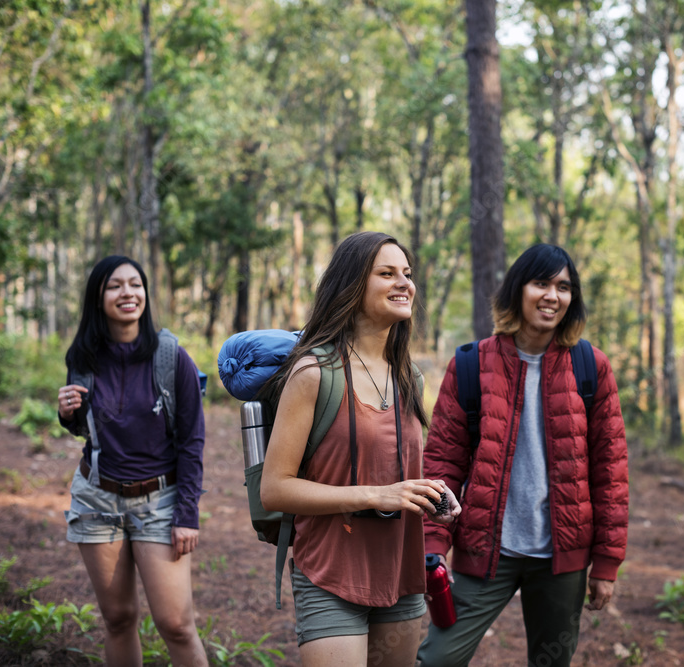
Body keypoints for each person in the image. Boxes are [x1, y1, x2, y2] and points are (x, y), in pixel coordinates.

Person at [418, 244, 629, 667]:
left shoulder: (591, 366)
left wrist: (606, 563)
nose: (553, 295)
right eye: (541, 283)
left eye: (564, 287)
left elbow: (611, 473)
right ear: (518, 289)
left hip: (561, 558)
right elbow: (442, 463)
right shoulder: (470, 365)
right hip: (484, 548)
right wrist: (433, 542)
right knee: (437, 659)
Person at [259, 231, 460, 667]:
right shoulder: (314, 373)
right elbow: (274, 489)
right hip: (331, 572)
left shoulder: (410, 378)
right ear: (351, 286)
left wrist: (430, 495)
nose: (404, 282)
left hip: (400, 572)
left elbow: (393, 467)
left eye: (407, 273)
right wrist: (375, 494)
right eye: (386, 273)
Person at [58, 255, 207, 667]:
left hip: (159, 500)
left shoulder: (171, 357)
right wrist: (67, 414)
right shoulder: (83, 356)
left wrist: (187, 513)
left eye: (135, 284)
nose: (128, 293)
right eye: (115, 286)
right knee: (118, 618)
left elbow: (193, 441)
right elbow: (91, 431)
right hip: (97, 500)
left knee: (176, 623)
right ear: (98, 297)